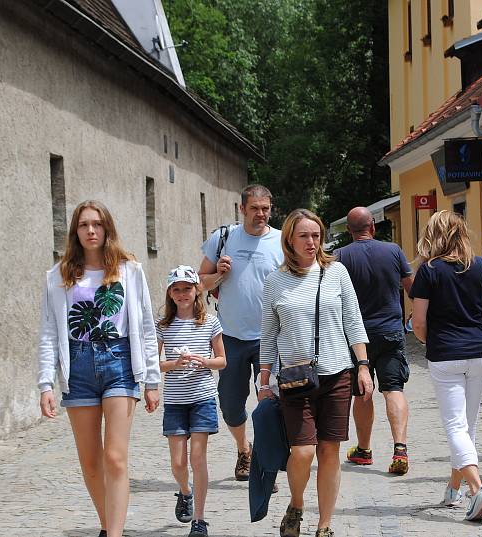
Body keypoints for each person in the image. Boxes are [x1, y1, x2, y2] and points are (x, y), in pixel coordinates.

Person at [37, 200, 161, 537]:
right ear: (75, 232)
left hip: (119, 361)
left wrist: (151, 378)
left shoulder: (129, 270)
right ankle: (109, 527)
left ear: (107, 229)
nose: (91, 231)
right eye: (84, 225)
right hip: (77, 367)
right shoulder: (58, 275)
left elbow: (147, 327)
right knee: (91, 464)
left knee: (115, 458)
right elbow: (49, 331)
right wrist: (46, 383)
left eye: (97, 224)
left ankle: (115, 534)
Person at [258, 209, 374, 537]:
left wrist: (362, 366)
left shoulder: (336, 272)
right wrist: (264, 378)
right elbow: (268, 334)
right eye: (304, 236)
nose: (311, 242)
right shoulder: (275, 281)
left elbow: (353, 321)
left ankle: (324, 525)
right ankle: (296, 503)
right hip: (295, 377)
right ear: (289, 241)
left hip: (337, 374)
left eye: (316, 236)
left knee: (329, 450)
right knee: (303, 451)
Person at [410, 210, 482, 522]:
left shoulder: (429, 271)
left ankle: (477, 491)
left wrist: (427, 341)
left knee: (455, 426)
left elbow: (418, 322)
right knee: (467, 425)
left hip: (445, 353)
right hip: (480, 353)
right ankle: (453, 487)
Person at [198, 184, 283, 481]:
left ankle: (264, 463)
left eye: (266, 208)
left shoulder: (282, 241)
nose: (261, 214)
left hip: (270, 338)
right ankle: (243, 448)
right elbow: (200, 284)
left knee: (269, 403)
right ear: (242, 209)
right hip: (231, 336)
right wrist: (219, 273)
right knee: (231, 405)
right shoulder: (223, 239)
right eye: (255, 208)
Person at [334, 207, 414, 475]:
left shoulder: (341, 256)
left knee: (362, 391)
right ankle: (400, 449)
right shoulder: (394, 251)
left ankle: (364, 450)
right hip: (390, 331)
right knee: (393, 388)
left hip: (356, 337)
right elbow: (412, 288)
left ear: (349, 230)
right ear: (373, 226)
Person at [157, 266, 227, 537]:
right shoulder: (163, 325)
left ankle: (199, 519)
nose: (182, 293)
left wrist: (204, 361)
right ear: (170, 294)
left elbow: (222, 360)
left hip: (202, 398)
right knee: (178, 463)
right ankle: (185, 492)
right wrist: (174, 364)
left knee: (198, 458)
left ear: (197, 290)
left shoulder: (209, 322)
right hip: (175, 401)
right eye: (177, 289)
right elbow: (155, 364)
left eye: (187, 288)